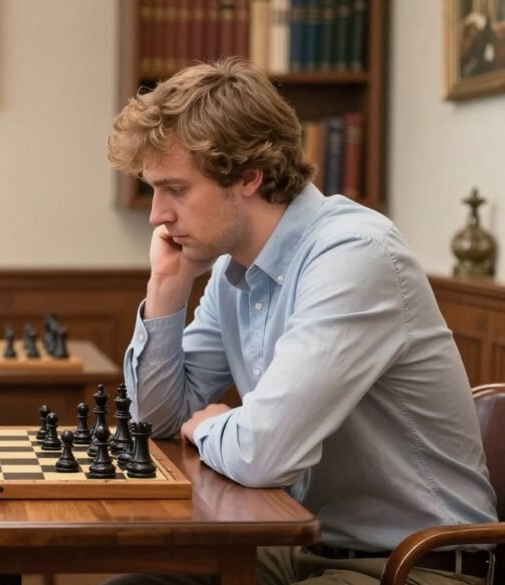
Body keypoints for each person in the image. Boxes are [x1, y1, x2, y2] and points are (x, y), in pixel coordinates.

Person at [106, 58, 497, 585]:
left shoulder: (354, 255)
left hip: (412, 565)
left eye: (175, 189)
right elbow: (154, 423)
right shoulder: (230, 270)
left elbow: (264, 453)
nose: (157, 215)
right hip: (298, 546)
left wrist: (207, 425)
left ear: (249, 176)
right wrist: (166, 288)